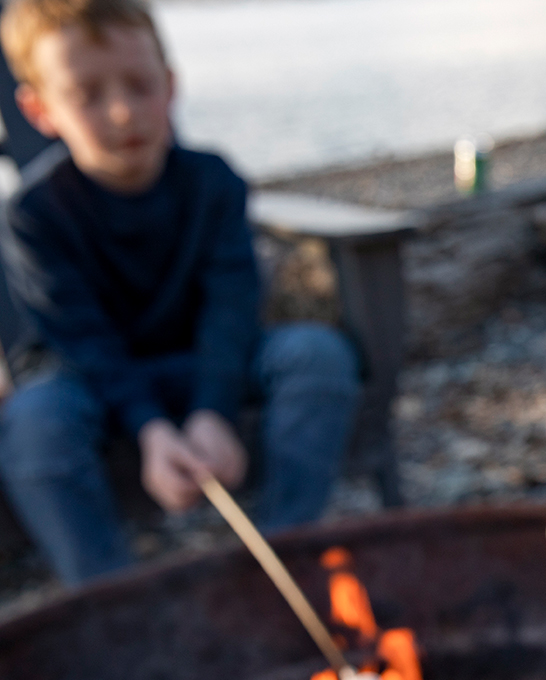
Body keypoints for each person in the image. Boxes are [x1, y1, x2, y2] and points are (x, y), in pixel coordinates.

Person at [0, 0, 361, 586]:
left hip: (204, 361)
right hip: (92, 381)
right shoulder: (34, 214)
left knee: (316, 355)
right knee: (34, 424)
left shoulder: (212, 180)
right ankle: (109, 599)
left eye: (140, 86)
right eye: (88, 95)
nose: (122, 112)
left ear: (170, 86)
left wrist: (213, 411)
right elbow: (81, 340)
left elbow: (232, 302)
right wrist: (150, 427)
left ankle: (282, 559)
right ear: (39, 110)